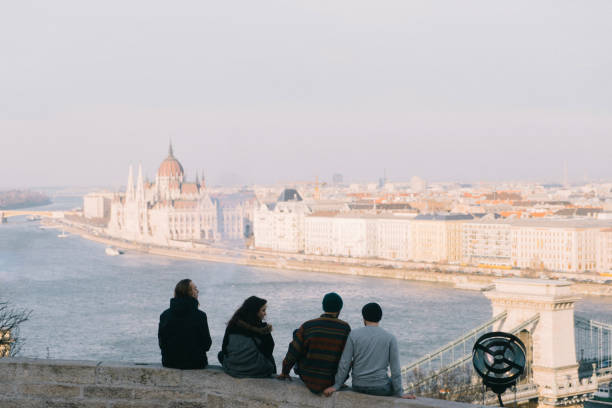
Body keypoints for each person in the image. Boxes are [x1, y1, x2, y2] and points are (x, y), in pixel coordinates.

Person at [323, 302, 415, 399]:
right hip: (380, 388)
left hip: (358, 386)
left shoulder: (353, 335)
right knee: (391, 382)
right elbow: (395, 369)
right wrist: (400, 392)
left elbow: (344, 363)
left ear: (364, 317)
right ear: (380, 317)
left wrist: (336, 385)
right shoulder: (390, 338)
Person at [277, 292, 351, 394]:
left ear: (323, 306)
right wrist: (341, 380)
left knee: (297, 334)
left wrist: (284, 372)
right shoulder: (345, 328)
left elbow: (293, 351)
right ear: (340, 309)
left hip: (308, 376)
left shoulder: (308, 326)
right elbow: (346, 359)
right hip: (331, 379)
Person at [158, 279, 212, 369]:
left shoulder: (165, 315)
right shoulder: (200, 316)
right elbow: (207, 345)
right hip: (196, 363)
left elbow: (162, 344)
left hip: (170, 362)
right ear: (189, 293)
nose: (198, 291)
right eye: (195, 289)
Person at [218, 296, 276, 378]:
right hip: (255, 371)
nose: (265, 313)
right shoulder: (263, 328)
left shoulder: (233, 325)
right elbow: (268, 351)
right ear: (255, 311)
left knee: (220, 354)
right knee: (270, 359)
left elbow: (224, 348)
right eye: (263, 310)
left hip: (232, 369)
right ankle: (273, 376)